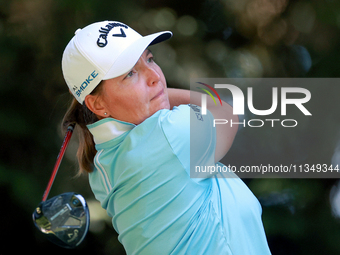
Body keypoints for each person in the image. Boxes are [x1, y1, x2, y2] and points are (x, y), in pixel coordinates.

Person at [61, 20, 272, 255]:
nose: (154, 75)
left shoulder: (103, 166)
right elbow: (225, 112)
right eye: (130, 73)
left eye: (150, 59)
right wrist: (159, 91)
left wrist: (150, 92)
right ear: (97, 104)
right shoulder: (168, 135)